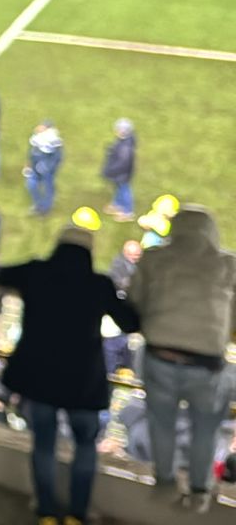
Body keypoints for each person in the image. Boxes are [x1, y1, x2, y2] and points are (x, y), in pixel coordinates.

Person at [0, 227, 141, 525]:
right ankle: (77, 514)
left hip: (39, 377)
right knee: (85, 445)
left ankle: (46, 512)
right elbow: (130, 322)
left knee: (43, 443)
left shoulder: (35, 272)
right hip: (83, 381)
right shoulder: (99, 284)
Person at [127, 205, 236, 510]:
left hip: (160, 355)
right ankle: (200, 491)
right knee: (206, 429)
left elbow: (136, 302)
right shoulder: (227, 264)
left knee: (161, 424)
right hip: (207, 364)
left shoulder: (154, 258)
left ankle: (164, 483)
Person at [26, 120, 64, 218]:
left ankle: (45, 209)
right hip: (35, 166)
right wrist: (29, 165)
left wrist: (47, 167)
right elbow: (32, 152)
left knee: (48, 188)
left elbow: (57, 158)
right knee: (31, 185)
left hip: (46, 169)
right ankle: (38, 205)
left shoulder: (53, 141)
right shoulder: (37, 138)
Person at [103, 119, 137, 221]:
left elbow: (122, 163)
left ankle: (127, 212)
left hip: (122, 174)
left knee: (124, 190)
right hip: (119, 173)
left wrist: (110, 170)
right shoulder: (123, 141)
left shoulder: (126, 147)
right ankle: (117, 204)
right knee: (118, 188)